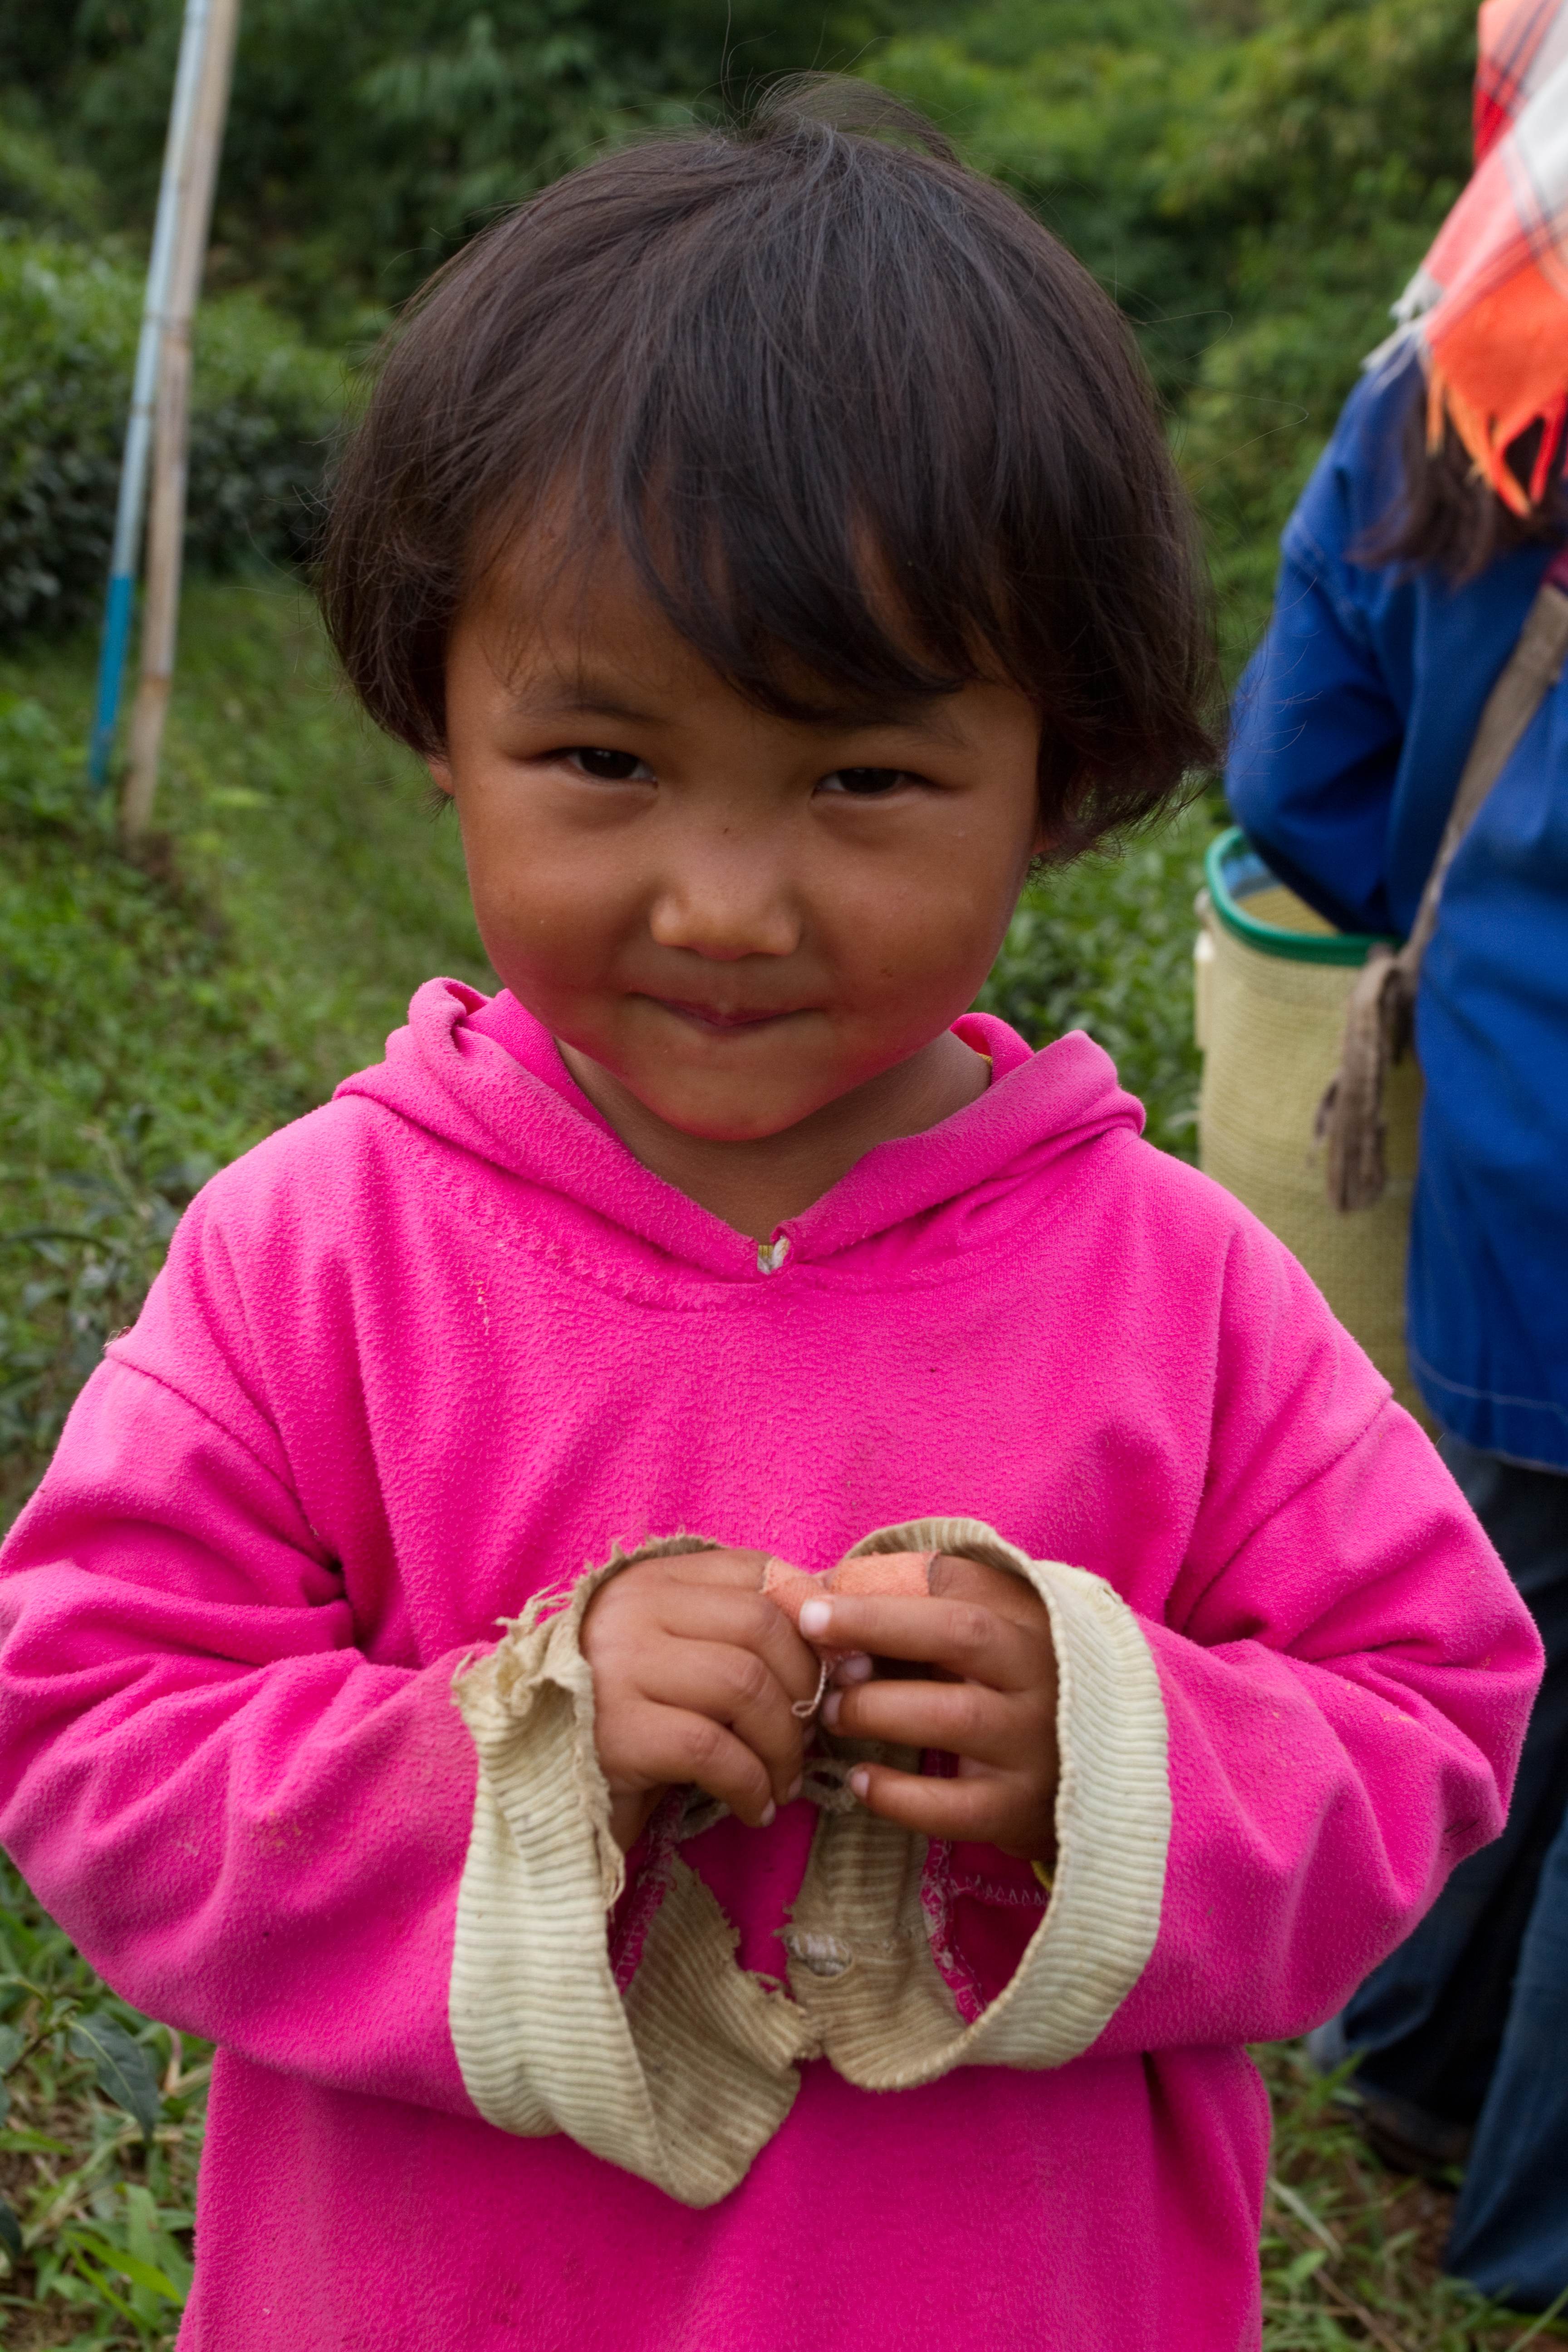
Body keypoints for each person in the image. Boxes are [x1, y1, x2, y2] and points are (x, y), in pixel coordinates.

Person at [0, 81, 1542, 2352]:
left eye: (867, 779)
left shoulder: (1185, 1292)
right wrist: (514, 1752)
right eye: (604, 762)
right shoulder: (317, 1251)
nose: (725, 901)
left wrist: (1100, 1757)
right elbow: (93, 1734)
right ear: (436, 713)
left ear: (1061, 772)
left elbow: (1432, 1714)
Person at [1225, 0, 1568, 2310]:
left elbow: (1307, 788)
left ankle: (1412, 2072)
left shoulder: (1451, 370)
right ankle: (1537, 2227)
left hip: (1511, 1141)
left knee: (1510, 1626)